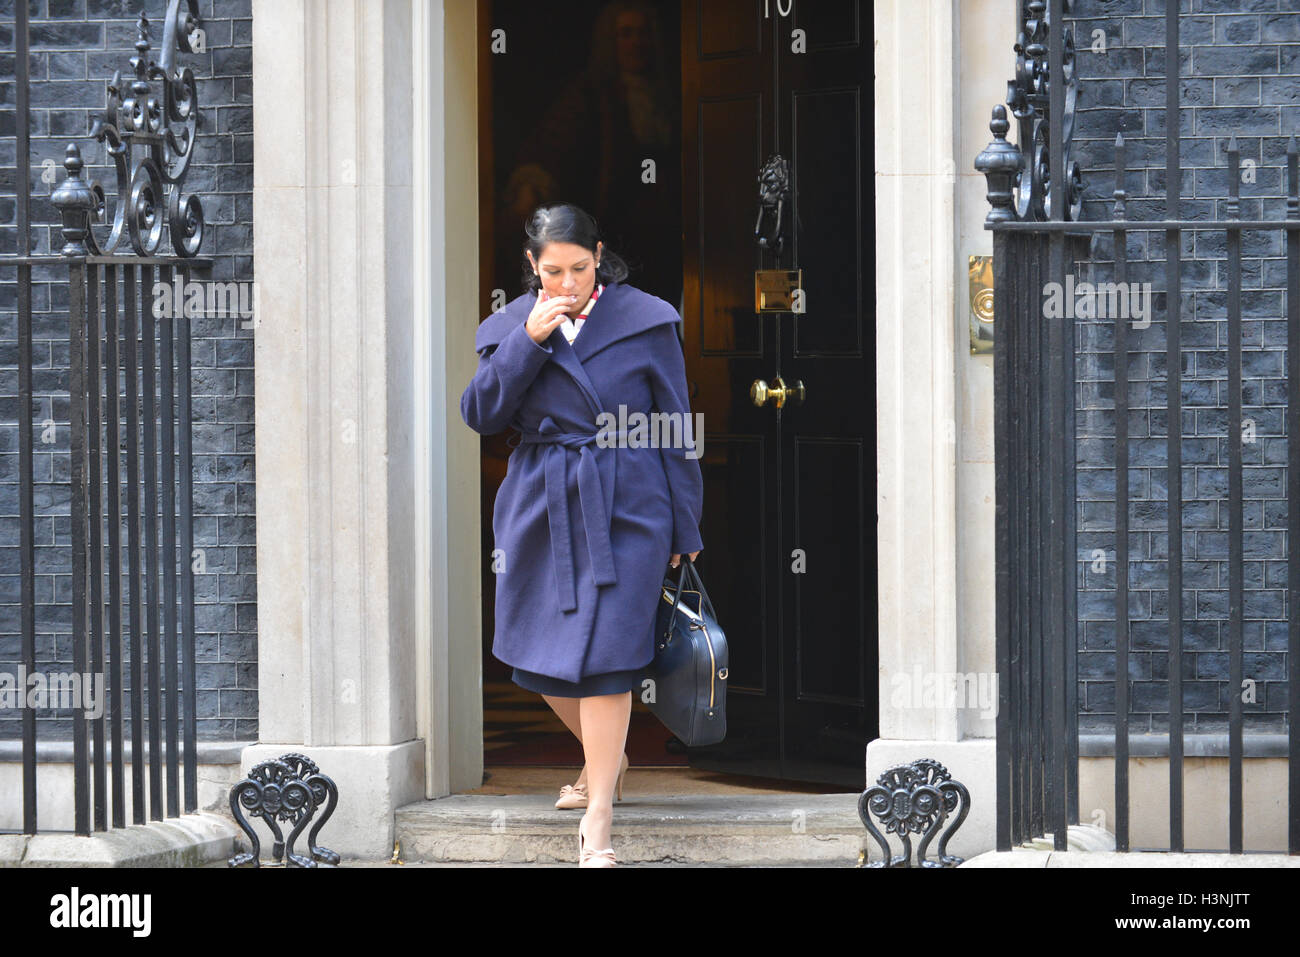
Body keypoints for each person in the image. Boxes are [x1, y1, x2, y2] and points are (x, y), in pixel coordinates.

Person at [460, 203, 703, 866]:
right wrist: (527, 343)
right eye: (553, 271)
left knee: (609, 659)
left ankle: (597, 817)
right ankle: (611, 758)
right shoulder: (509, 327)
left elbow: (677, 429)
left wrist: (687, 522)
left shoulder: (647, 320)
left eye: (580, 267)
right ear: (532, 267)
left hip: (631, 501)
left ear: (599, 255)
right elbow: (481, 413)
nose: (568, 282)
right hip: (542, 505)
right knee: (539, 656)